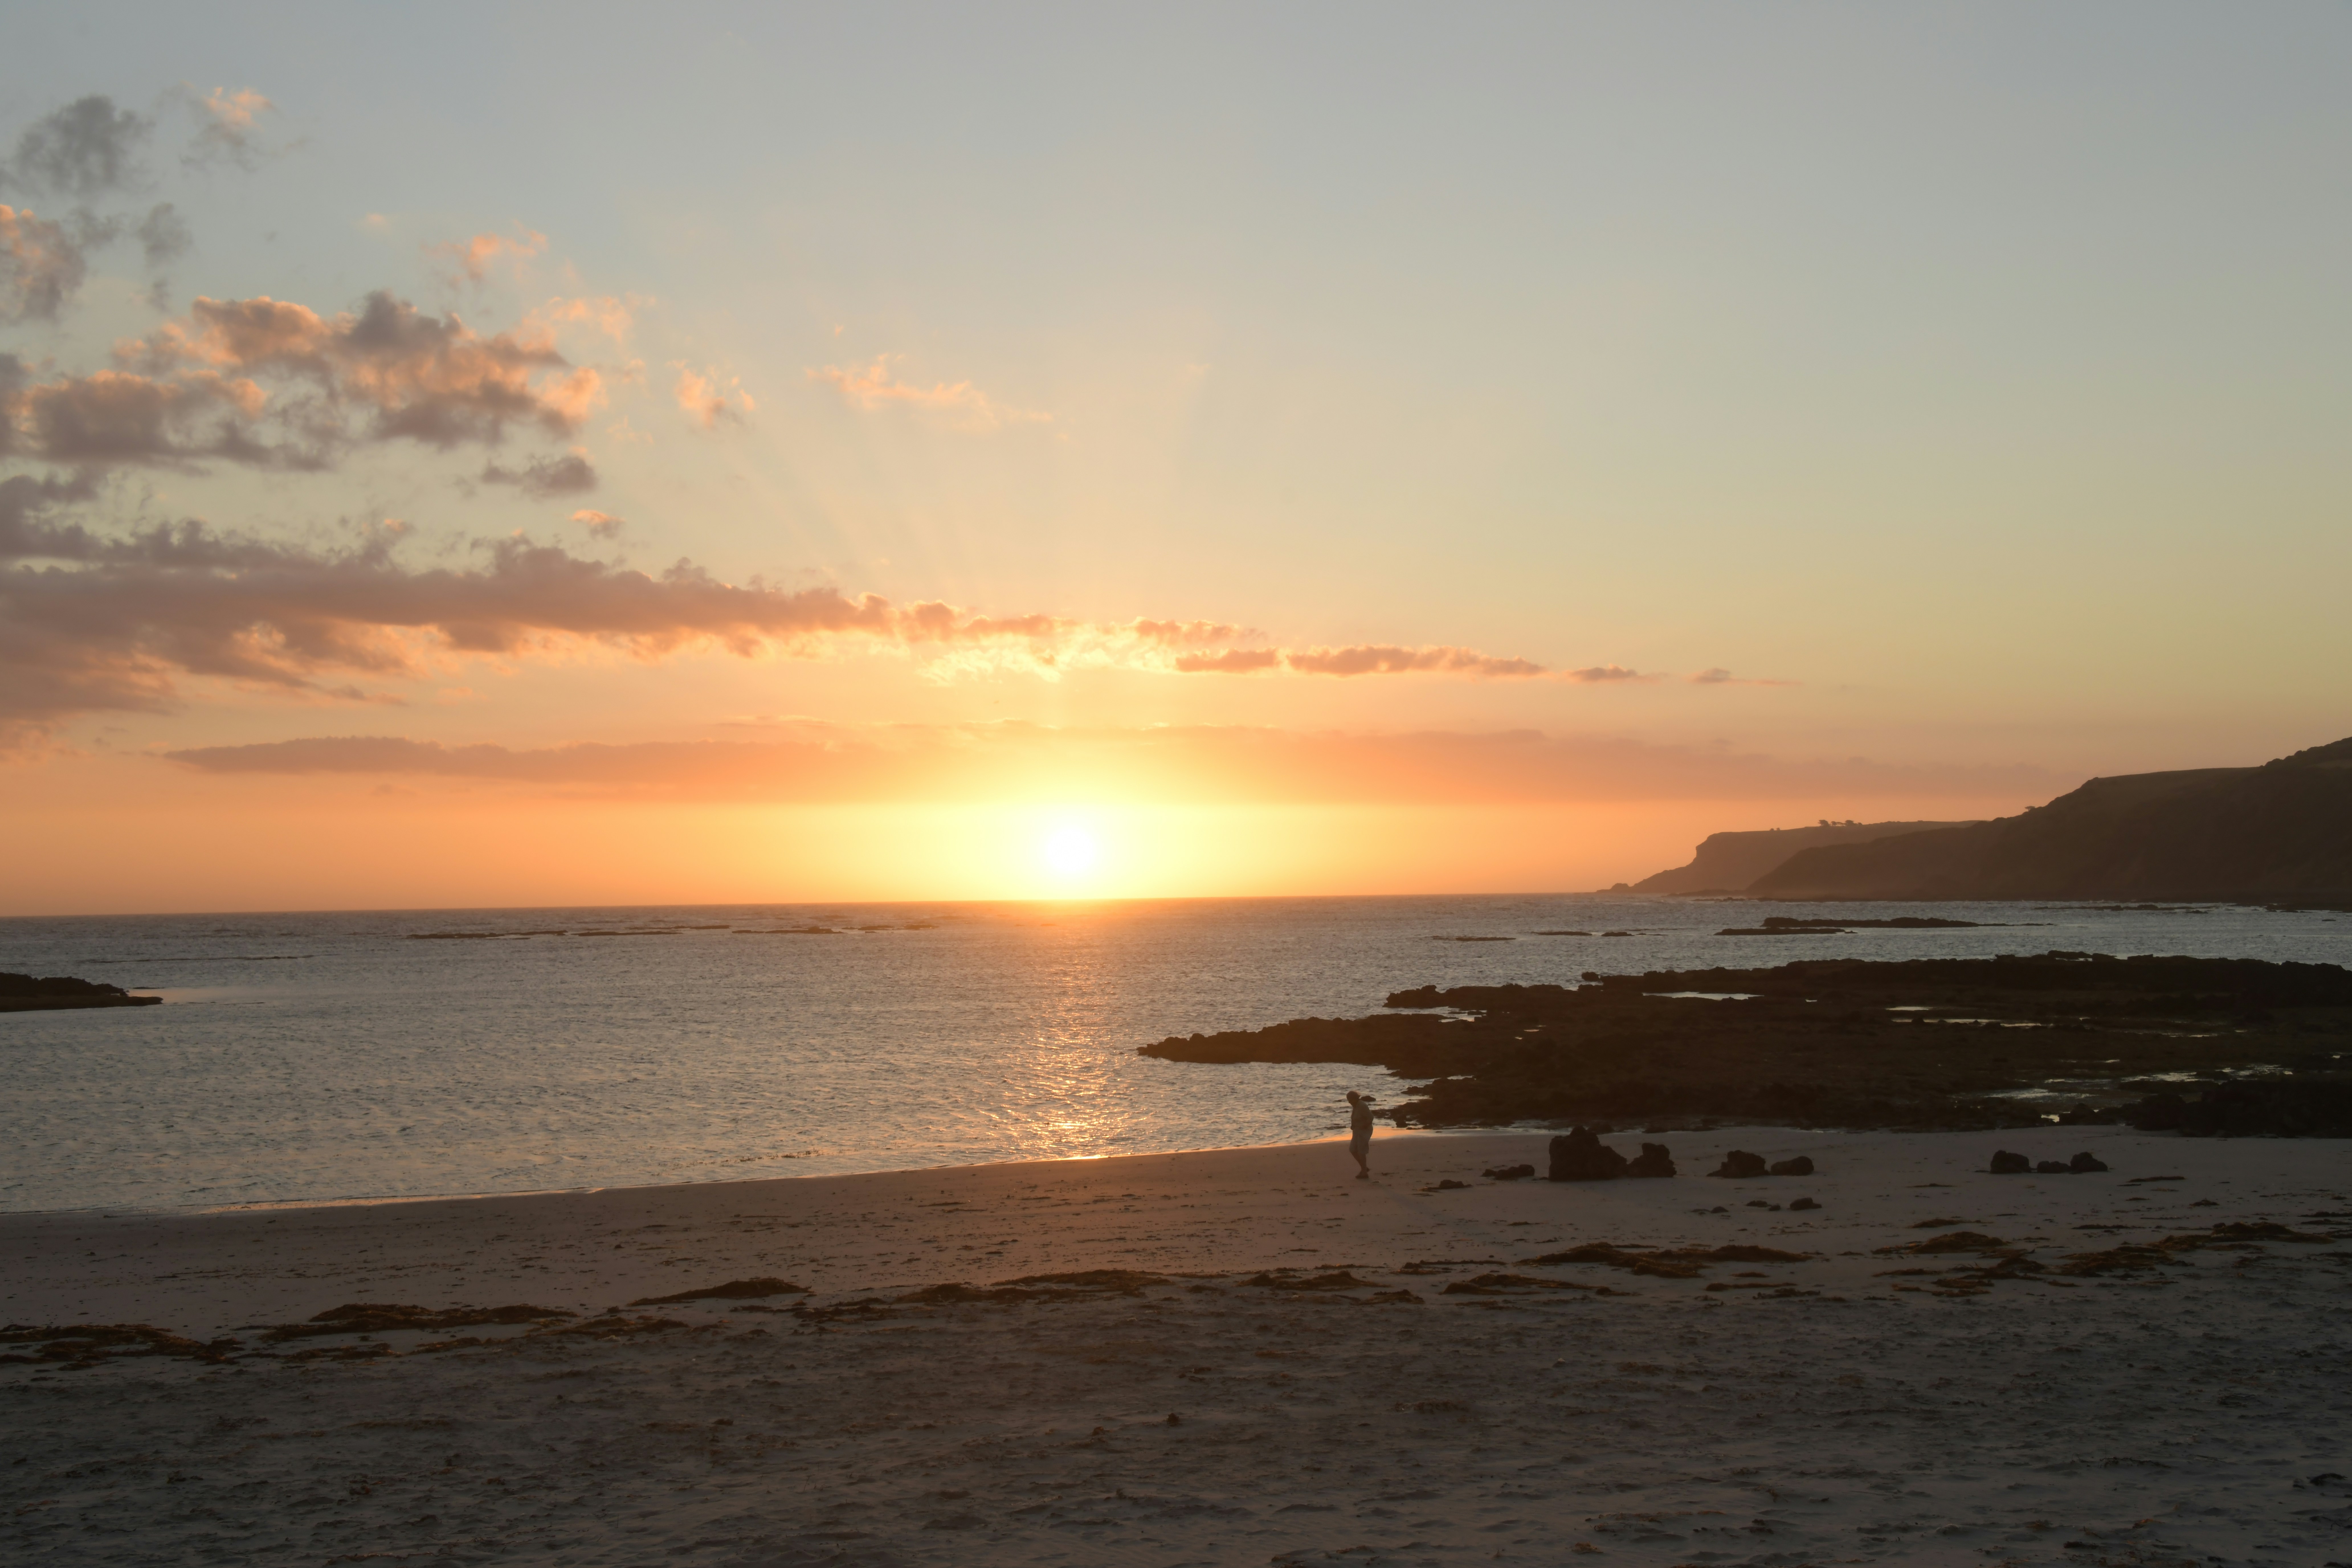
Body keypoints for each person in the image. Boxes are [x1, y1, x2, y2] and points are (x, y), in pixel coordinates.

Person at [1345, 1090, 1376, 1179]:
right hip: (1357, 1131)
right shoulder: (1356, 1106)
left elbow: (1371, 1118)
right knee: (1353, 1149)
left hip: (1365, 1131)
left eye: (1350, 1100)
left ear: (1355, 1099)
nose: (1349, 1102)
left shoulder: (1362, 1105)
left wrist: (1364, 1126)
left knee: (1361, 1151)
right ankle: (1364, 1168)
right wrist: (1353, 1126)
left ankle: (1364, 1173)